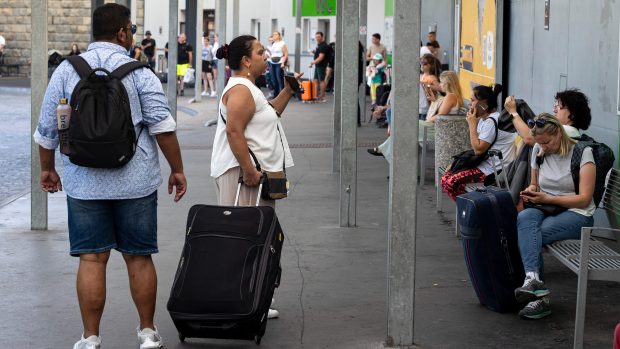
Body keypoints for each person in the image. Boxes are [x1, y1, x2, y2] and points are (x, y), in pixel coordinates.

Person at [33, 4, 187, 349]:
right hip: (135, 181)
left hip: (84, 181)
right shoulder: (140, 72)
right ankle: (147, 332)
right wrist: (176, 169)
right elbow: (163, 128)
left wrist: (48, 167)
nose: (131, 34)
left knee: (91, 259)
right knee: (138, 256)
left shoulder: (66, 71)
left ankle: (90, 337)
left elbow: (48, 128)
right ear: (121, 32)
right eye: (130, 29)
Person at [211, 35, 298, 318]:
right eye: (261, 52)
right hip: (243, 174)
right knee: (243, 238)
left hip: (253, 173)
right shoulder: (241, 90)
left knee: (257, 236)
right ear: (246, 60)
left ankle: (252, 298)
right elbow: (234, 131)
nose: (266, 55)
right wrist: (249, 171)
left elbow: (268, 115)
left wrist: (288, 90)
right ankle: (238, 301)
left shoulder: (249, 88)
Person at [514, 113, 596, 320]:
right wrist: (531, 190)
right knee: (524, 219)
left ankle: (538, 300)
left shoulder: (582, 152)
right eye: (540, 143)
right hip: (546, 206)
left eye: (547, 142)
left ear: (559, 133)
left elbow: (584, 199)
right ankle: (533, 280)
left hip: (577, 213)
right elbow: (536, 184)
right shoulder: (538, 149)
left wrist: (548, 198)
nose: (544, 148)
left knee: (534, 233)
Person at [440, 84, 517, 200]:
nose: (470, 104)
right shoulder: (483, 119)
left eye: (473, 100)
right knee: (446, 178)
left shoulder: (491, 121)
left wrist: (472, 124)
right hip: (485, 164)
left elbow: (478, 150)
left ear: (483, 104)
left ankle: (472, 209)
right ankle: (469, 209)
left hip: (495, 171)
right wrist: (456, 163)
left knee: (451, 182)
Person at [504, 88, 592, 146]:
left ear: (572, 114)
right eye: (555, 106)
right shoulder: (571, 132)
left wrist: (512, 112)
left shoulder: (566, 132)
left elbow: (529, 138)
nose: (554, 110)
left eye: (559, 106)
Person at [308, 31, 330, 102]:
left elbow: (321, 57)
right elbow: (319, 54)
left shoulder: (323, 46)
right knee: (316, 80)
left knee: (321, 80)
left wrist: (312, 63)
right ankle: (316, 96)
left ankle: (322, 97)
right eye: (316, 37)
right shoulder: (319, 45)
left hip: (321, 65)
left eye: (318, 37)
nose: (317, 38)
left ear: (322, 37)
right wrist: (314, 52)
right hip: (318, 65)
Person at [419, 54, 441, 120]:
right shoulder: (422, 75)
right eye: (421, 63)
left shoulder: (431, 77)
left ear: (431, 65)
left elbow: (439, 88)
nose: (422, 65)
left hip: (428, 106)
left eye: (424, 63)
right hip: (421, 104)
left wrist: (427, 85)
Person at [268, 31, 288, 97]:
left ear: (279, 35)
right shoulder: (273, 43)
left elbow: (285, 54)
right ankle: (276, 95)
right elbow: (272, 53)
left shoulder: (282, 43)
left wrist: (283, 63)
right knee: (273, 79)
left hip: (279, 62)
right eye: (273, 34)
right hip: (272, 62)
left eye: (276, 34)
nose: (274, 35)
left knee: (279, 79)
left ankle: (282, 95)